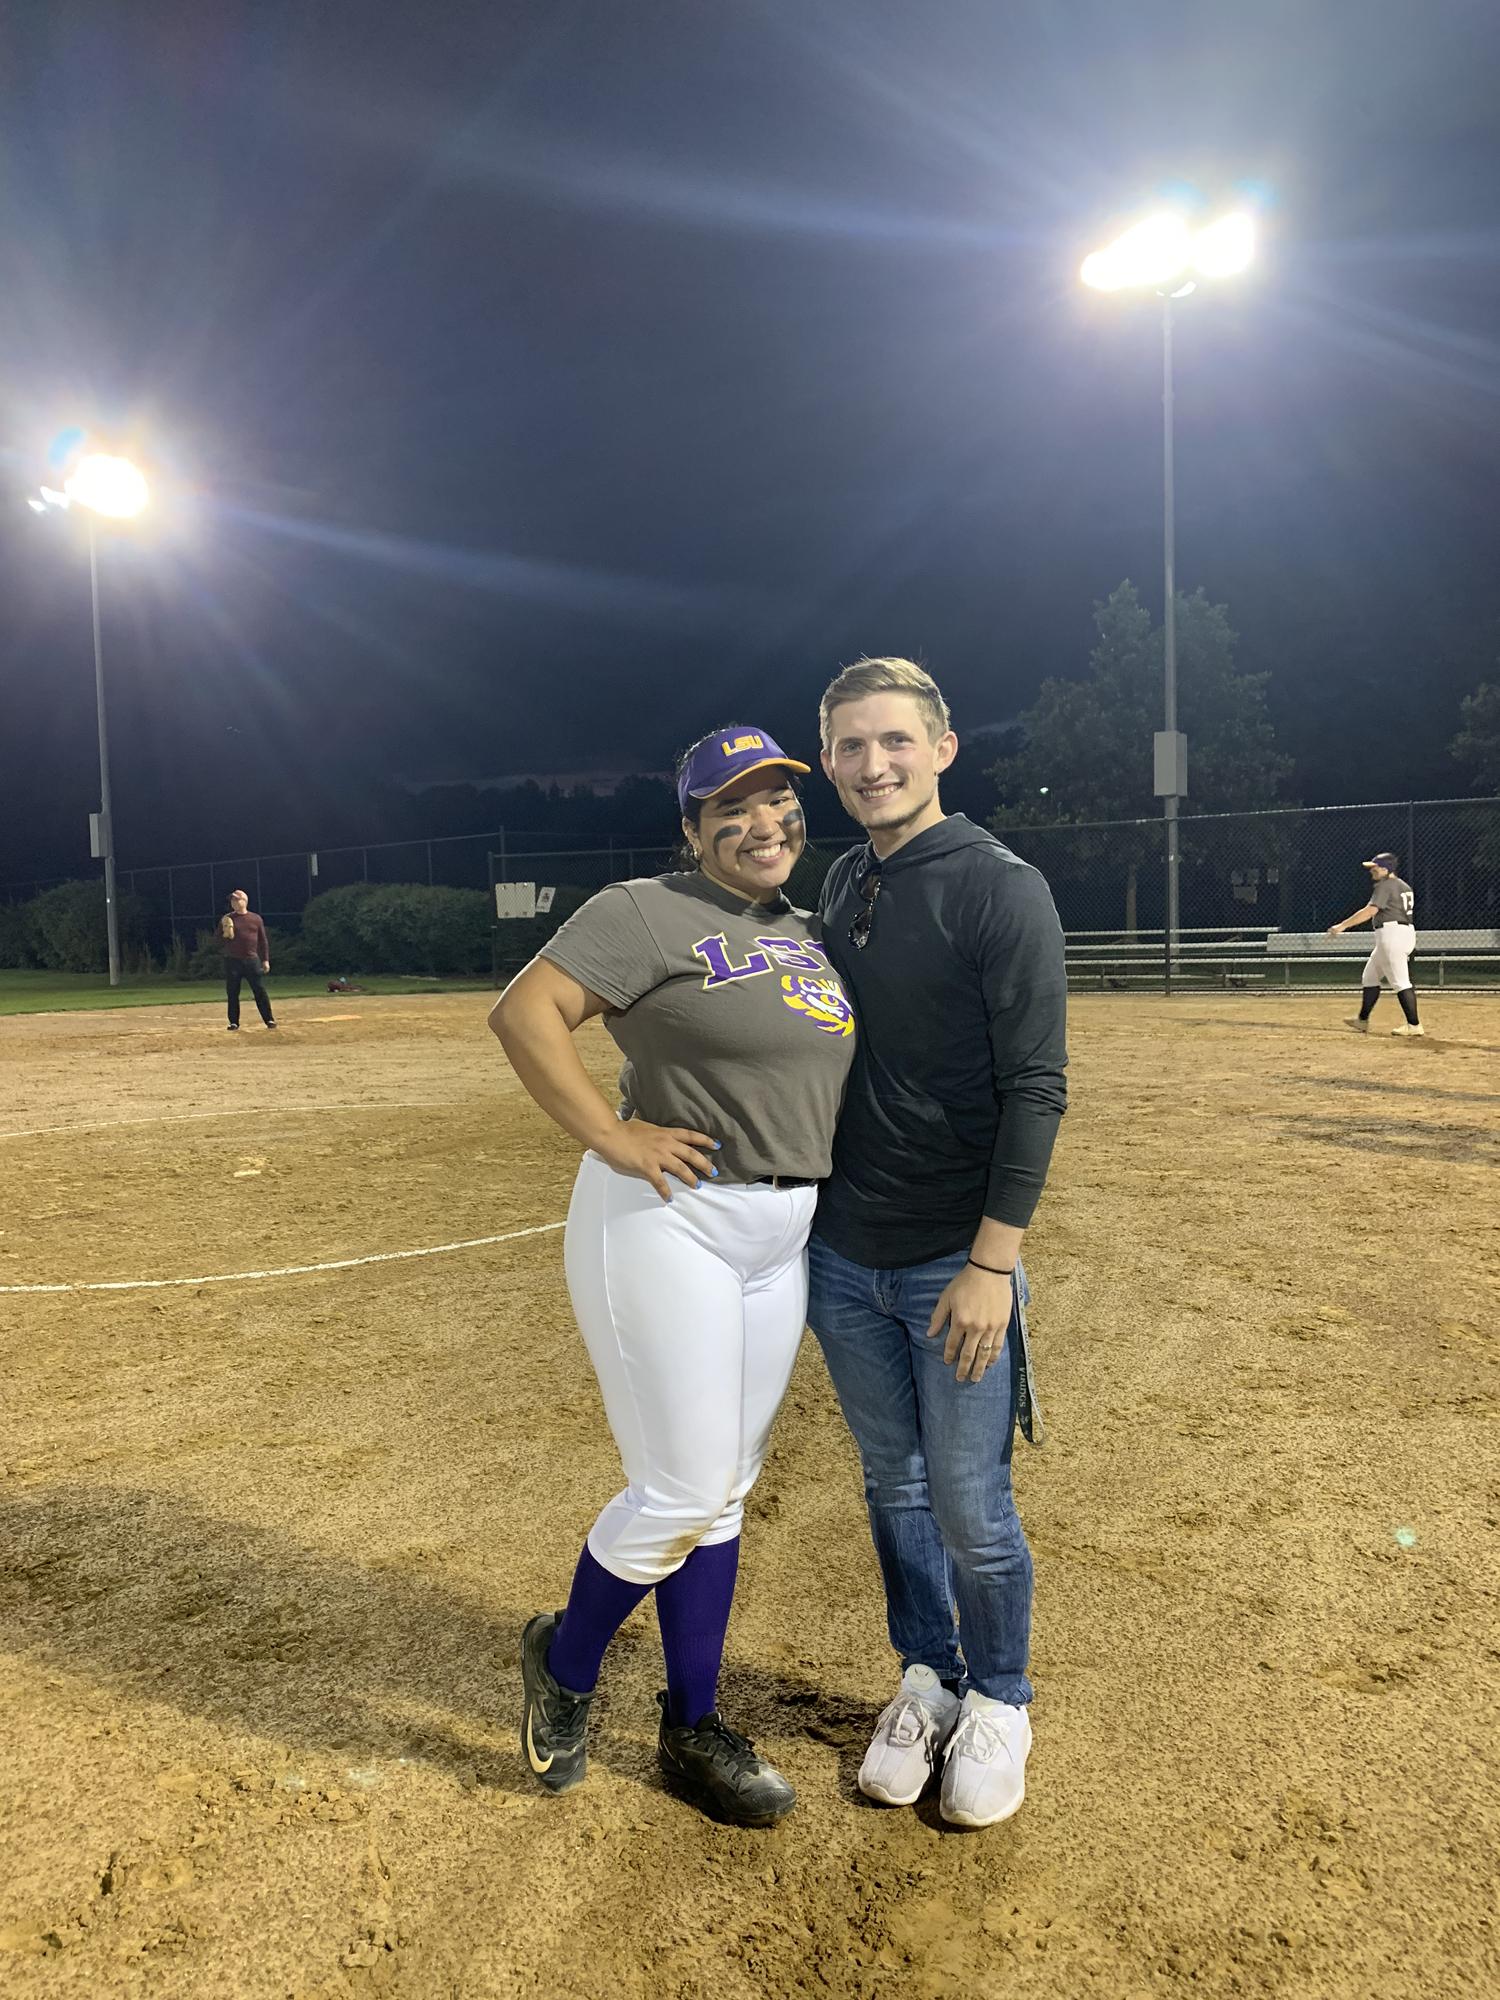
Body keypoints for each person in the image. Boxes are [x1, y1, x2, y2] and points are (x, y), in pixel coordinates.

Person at [489, 725, 856, 1827]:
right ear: (692, 830)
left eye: (775, 799)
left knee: (726, 1489)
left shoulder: (810, 928)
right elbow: (524, 1013)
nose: (760, 822)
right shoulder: (645, 908)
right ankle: (566, 1660)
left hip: (780, 1230)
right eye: (729, 807)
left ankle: (692, 1723)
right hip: (670, 1218)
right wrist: (613, 1132)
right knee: (684, 1486)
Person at [806, 656, 1068, 1830]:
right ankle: (928, 1674)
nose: (874, 764)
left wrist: (993, 1261)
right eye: (852, 746)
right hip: (842, 1255)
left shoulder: (1001, 888)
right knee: (893, 1481)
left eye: (894, 741)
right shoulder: (840, 879)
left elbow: (1038, 1086)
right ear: (829, 762)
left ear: (944, 747)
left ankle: (1002, 1695)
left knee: (969, 1496)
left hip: (950, 1260)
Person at [1328, 852, 1423, 1036]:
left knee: (1401, 982)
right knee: (1370, 977)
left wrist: (1342, 926)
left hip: (1392, 935)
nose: (1372, 871)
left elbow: (1370, 911)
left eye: (1375, 868)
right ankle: (1362, 1020)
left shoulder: (1385, 885)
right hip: (1400, 933)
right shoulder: (1403, 885)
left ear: (1386, 869)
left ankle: (1414, 1025)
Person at [219, 889, 276, 1031]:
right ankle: (234, 1022)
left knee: (259, 990)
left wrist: (265, 960)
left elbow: (263, 941)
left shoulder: (255, 919)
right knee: (232, 992)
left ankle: (269, 1019)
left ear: (244, 901)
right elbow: (217, 940)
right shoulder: (227, 919)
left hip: (251, 960)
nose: (233, 902)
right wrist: (225, 934)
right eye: (232, 900)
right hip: (232, 961)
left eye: (236, 900)